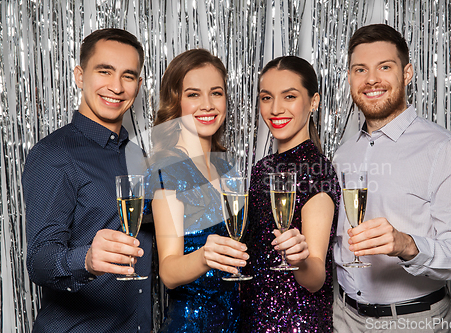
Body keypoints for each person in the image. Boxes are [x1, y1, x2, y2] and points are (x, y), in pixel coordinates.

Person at [332, 24, 451, 332]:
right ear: (349, 78)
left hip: (414, 322)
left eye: (384, 67)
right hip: (343, 317)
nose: (371, 79)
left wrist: (407, 245)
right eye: (360, 69)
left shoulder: (444, 149)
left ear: (407, 73)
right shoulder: (342, 153)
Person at [22, 28, 152, 332]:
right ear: (80, 76)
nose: (116, 86)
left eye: (128, 76)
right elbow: (39, 259)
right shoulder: (53, 154)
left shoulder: (139, 156)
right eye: (104, 71)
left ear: (139, 84)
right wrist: (87, 260)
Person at [147, 48, 245, 332]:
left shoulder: (228, 169)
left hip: (235, 321)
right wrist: (204, 256)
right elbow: (168, 271)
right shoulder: (168, 170)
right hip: (192, 325)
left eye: (216, 93)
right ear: (175, 102)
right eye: (193, 94)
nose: (208, 104)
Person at [240, 56, 340, 332]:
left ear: (314, 101)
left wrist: (300, 260)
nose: (275, 109)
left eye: (289, 96)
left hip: (296, 323)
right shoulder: (262, 169)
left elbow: (316, 276)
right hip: (253, 318)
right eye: (266, 97)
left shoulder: (317, 170)